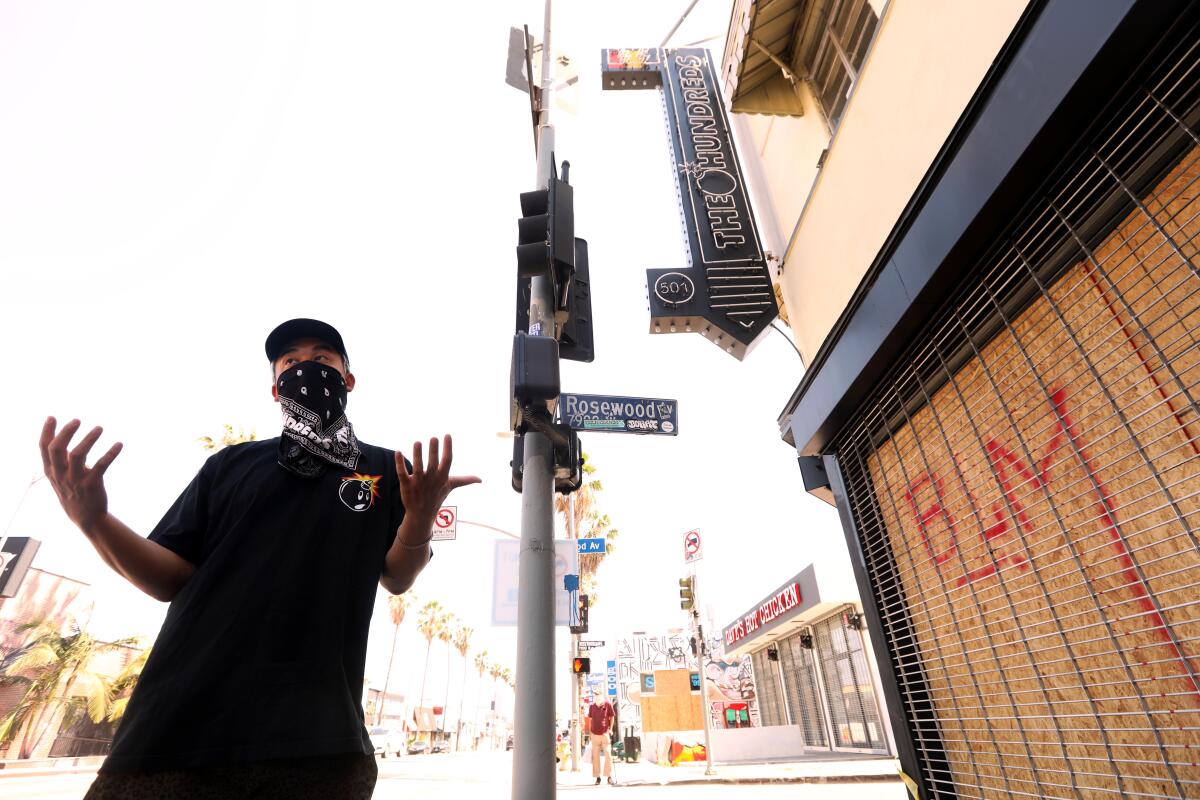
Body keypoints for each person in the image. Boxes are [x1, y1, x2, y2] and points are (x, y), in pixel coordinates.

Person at [38, 318, 479, 800]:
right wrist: (94, 521)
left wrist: (418, 517)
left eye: (323, 359)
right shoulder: (230, 464)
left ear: (348, 380)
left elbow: (397, 576)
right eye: (291, 361)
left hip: (318, 746)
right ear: (275, 388)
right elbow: (169, 577)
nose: (307, 367)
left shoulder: (386, 469)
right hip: (176, 732)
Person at [586, 688, 615, 785]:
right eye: (595, 694)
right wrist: (590, 733)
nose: (596, 696)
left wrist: (611, 729)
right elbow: (590, 720)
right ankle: (598, 777)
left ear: (601, 695)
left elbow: (612, 717)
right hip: (594, 734)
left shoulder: (607, 705)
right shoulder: (592, 706)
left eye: (598, 694)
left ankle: (609, 776)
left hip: (605, 733)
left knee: (608, 754)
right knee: (595, 757)